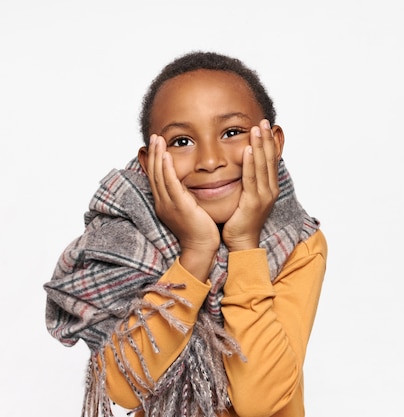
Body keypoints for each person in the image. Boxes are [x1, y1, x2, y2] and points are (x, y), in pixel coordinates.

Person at [43, 51, 327, 417]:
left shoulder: (299, 243)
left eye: (231, 132)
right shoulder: (123, 239)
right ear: (148, 162)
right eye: (181, 142)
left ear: (273, 142)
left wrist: (243, 247)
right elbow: (125, 388)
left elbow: (260, 400)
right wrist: (195, 255)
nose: (210, 160)